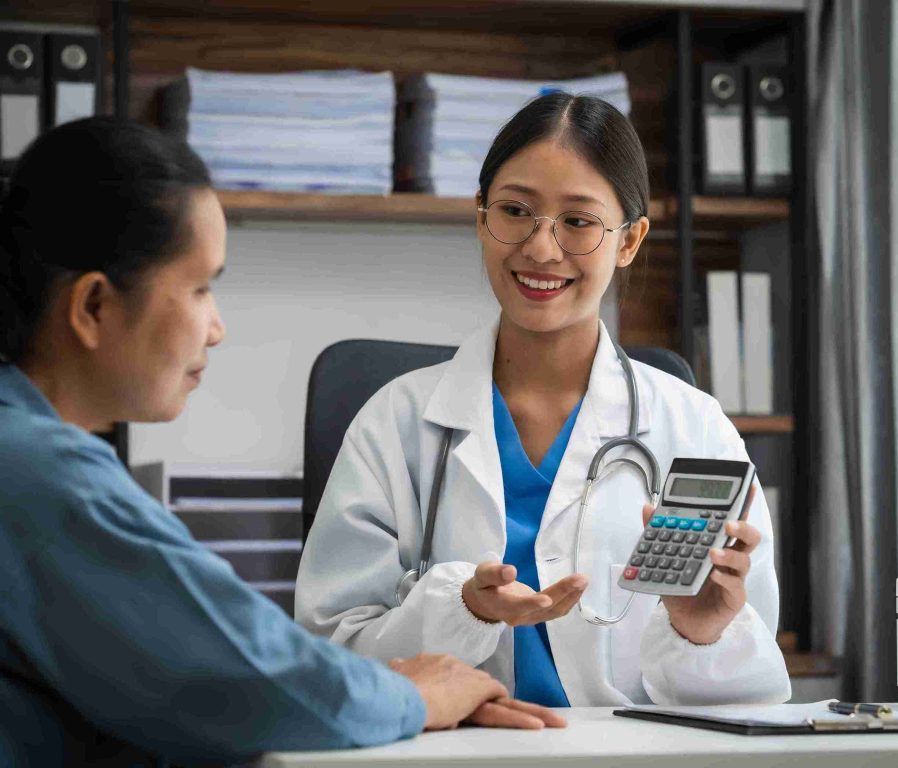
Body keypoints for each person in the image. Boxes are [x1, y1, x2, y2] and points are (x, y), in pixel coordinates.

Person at [0, 117, 564, 768]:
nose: (215, 328)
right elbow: (243, 674)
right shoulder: (40, 474)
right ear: (94, 306)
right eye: (200, 287)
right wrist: (412, 694)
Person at [296, 93, 792, 707]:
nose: (540, 248)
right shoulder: (393, 423)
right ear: (481, 218)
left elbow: (749, 707)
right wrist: (462, 609)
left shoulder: (694, 428)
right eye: (515, 211)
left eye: (578, 222)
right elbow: (329, 653)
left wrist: (702, 630)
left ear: (630, 240)